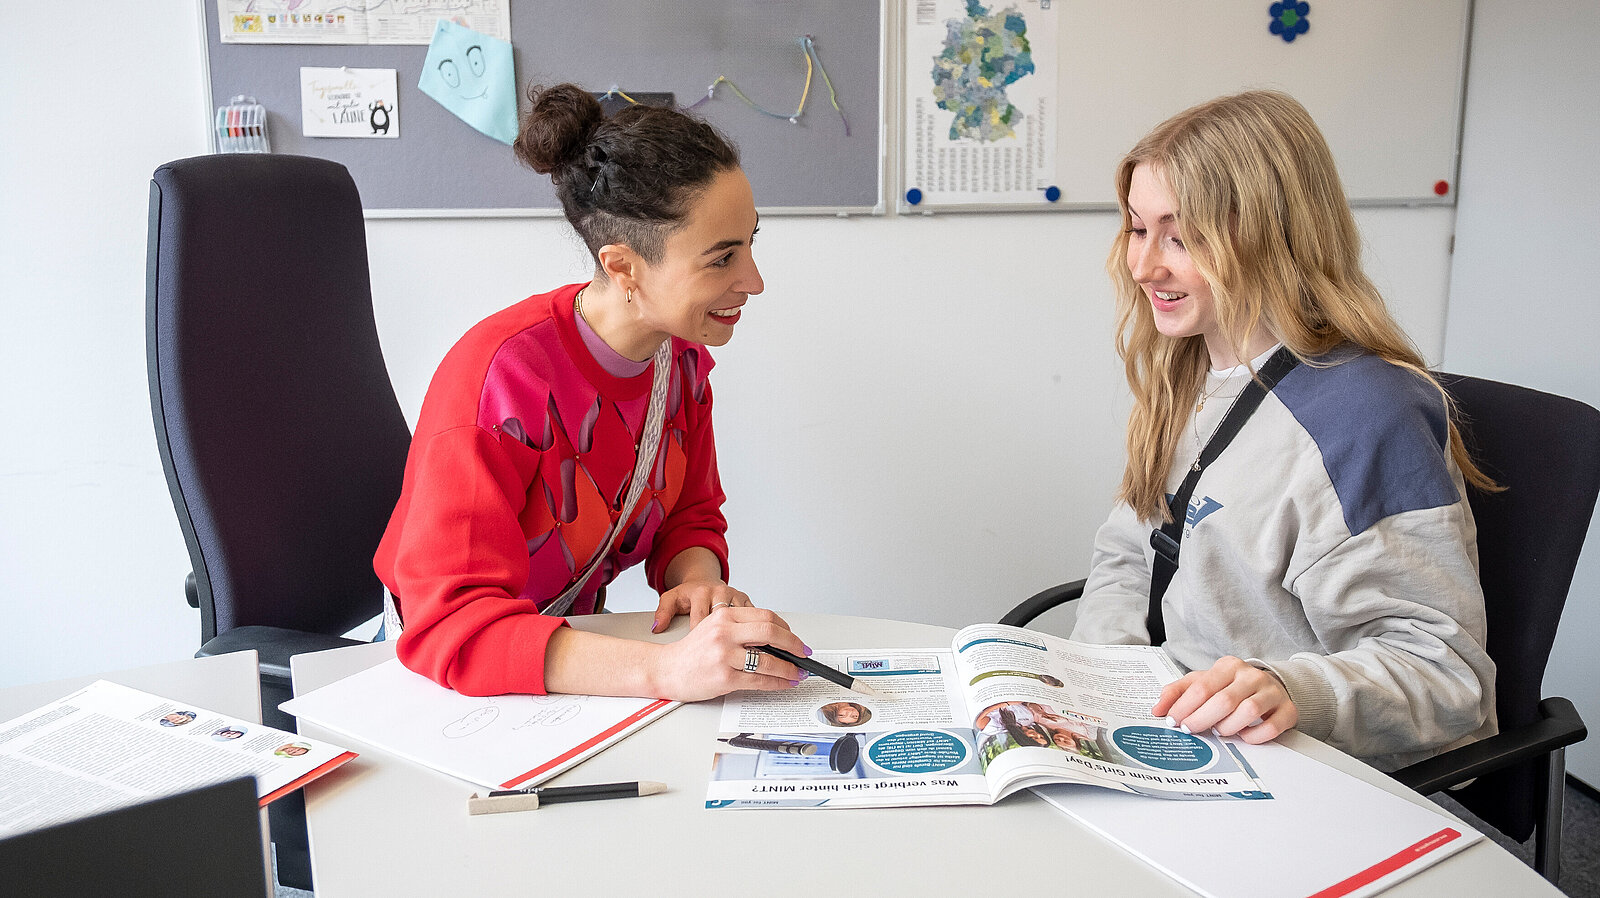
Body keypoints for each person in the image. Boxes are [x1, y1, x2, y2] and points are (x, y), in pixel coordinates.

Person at [1069, 90, 1497, 771]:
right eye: (1136, 228)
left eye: (1182, 237)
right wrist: (1104, 681)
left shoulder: (1367, 418)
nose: (1145, 265)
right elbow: (1128, 550)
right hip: (1167, 730)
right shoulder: (1188, 372)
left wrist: (1291, 691)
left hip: (1284, 766)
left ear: (1273, 235)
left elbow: (1446, 680)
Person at [374, 84, 808, 701]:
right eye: (720, 259)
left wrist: (697, 578)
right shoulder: (498, 383)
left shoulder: (679, 362)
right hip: (455, 687)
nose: (754, 281)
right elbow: (451, 629)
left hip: (564, 669)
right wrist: (663, 672)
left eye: (751, 244)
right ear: (624, 266)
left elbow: (690, 515)